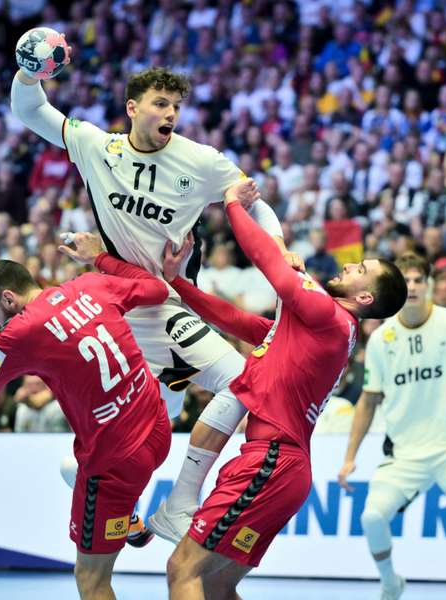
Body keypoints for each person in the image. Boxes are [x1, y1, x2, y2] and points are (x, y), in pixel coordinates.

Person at [10, 31, 299, 542]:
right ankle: (131, 506)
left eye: (176, 106)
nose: (170, 114)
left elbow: (253, 200)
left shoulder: (201, 160)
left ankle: (173, 504)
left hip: (166, 303)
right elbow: (33, 113)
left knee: (239, 384)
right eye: (160, 103)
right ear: (132, 107)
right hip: (119, 307)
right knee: (152, 432)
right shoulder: (98, 146)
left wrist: (278, 247)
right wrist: (31, 75)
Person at [94, 183, 403, 599]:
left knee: (183, 569)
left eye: (359, 270)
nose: (348, 267)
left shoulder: (328, 315)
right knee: (216, 586)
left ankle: (180, 502)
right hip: (285, 469)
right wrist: (179, 286)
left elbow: (267, 261)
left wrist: (234, 203)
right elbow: (240, 322)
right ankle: (182, 502)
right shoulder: (321, 328)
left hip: (270, 462)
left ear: (364, 296)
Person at [0, 254, 172, 600]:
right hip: (157, 426)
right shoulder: (90, 284)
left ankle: (126, 512)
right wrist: (102, 258)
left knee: (90, 579)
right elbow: (157, 289)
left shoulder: (19, 332)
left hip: (115, 465)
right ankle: (129, 517)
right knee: (72, 468)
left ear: (8, 299)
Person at [338, 253, 446, 600]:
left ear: (430, 284)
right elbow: (368, 401)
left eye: (421, 280)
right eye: (408, 281)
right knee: (372, 518)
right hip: (404, 453)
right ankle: (391, 582)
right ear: (397, 287)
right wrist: (349, 457)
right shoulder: (381, 339)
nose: (415, 286)